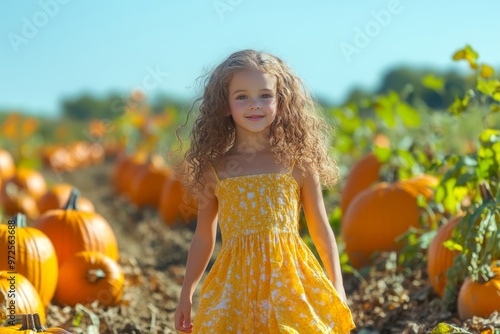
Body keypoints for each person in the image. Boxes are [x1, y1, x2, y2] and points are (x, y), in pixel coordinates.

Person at [174, 49, 355, 333]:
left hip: (288, 283)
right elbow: (203, 237)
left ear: (281, 102)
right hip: (235, 285)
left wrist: (338, 287)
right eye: (242, 96)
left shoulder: (299, 164)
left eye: (265, 95)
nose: (254, 105)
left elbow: (321, 229)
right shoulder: (215, 169)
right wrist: (186, 292)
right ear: (225, 105)